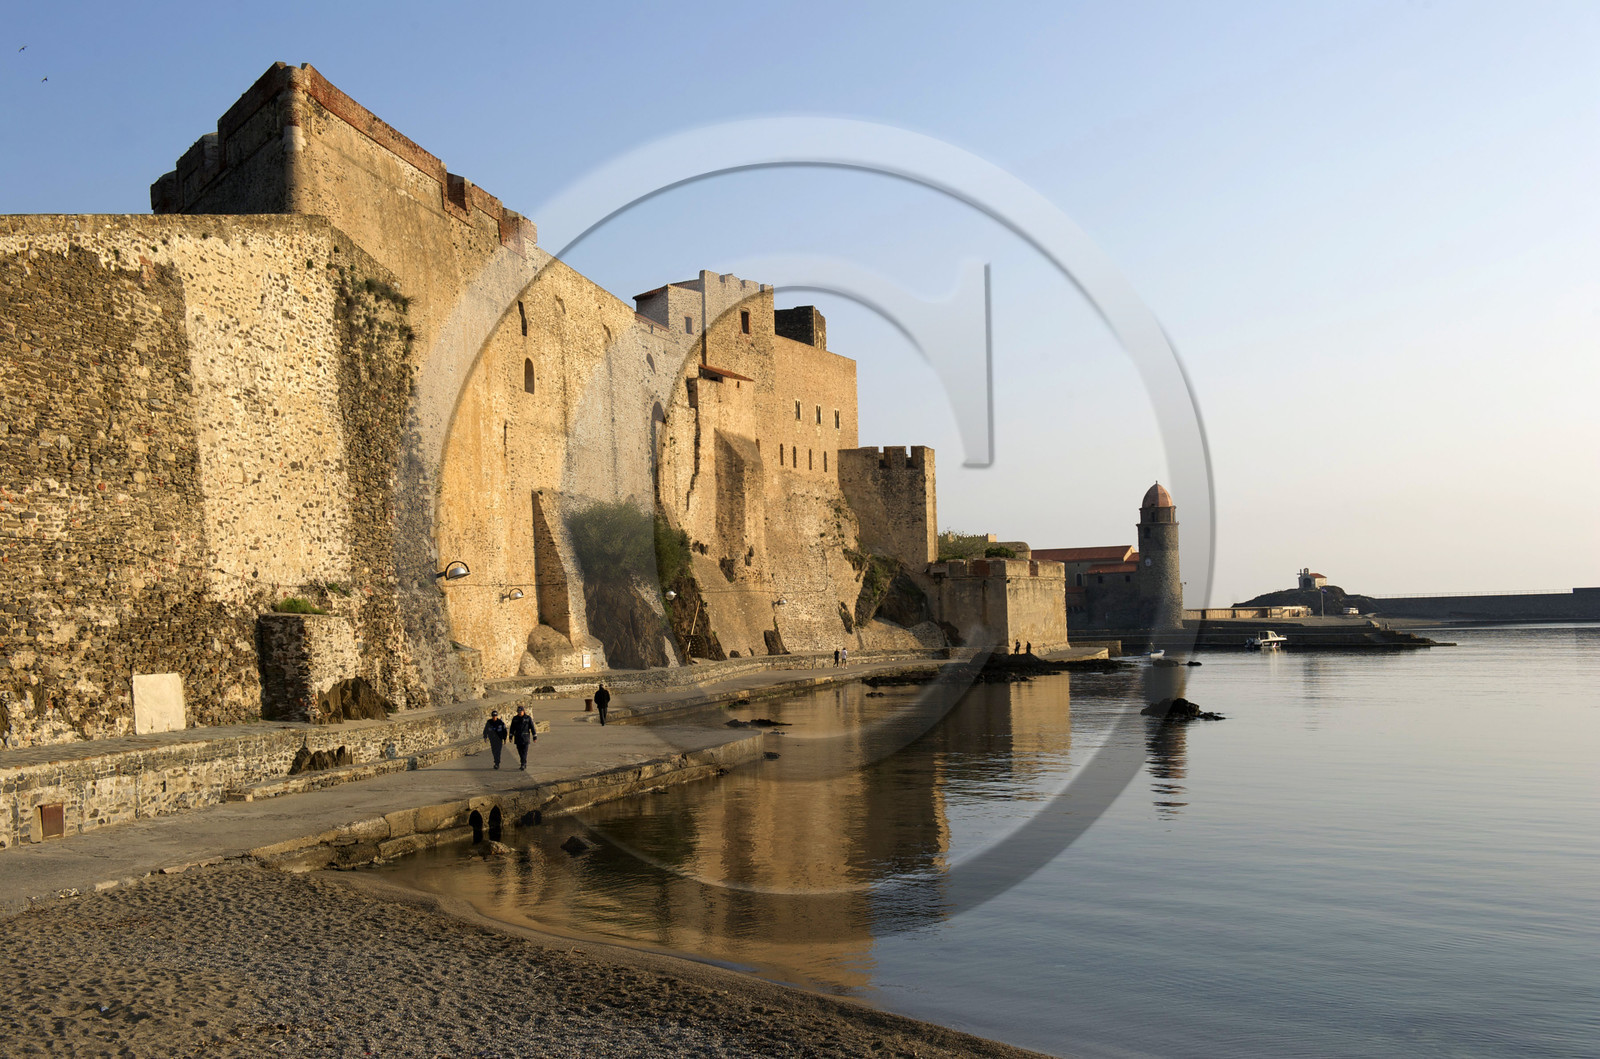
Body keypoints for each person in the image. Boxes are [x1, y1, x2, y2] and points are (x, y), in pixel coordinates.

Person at [509, 705, 536, 770]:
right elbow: (512, 728)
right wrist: (510, 736)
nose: (519, 713)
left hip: (525, 738)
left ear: (523, 711)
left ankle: (523, 764)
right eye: (518, 712)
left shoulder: (528, 718)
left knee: (525, 752)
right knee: (520, 752)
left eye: (520, 711)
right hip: (518, 738)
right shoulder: (515, 719)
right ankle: (523, 762)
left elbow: (532, 727)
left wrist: (534, 736)